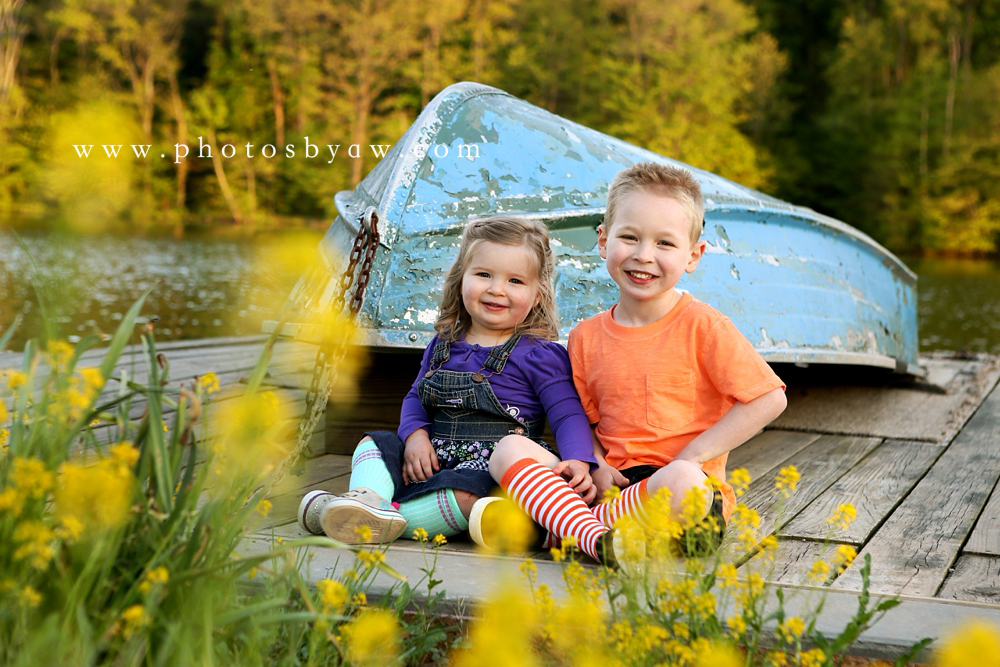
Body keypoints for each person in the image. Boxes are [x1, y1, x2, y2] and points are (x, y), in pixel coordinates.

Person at [487, 162, 787, 564]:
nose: (644, 256)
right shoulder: (585, 337)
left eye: (665, 244)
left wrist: (694, 456)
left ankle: (564, 529)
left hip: (676, 490)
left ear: (693, 255)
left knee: (683, 483)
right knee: (508, 449)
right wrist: (593, 464)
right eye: (629, 237)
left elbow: (769, 399)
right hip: (608, 492)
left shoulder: (703, 325)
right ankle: (598, 538)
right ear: (603, 240)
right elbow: (585, 420)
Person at [297, 216, 596, 546]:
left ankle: (368, 517)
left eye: (515, 281)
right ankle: (369, 500)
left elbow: (567, 414)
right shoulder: (443, 344)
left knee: (470, 497)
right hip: (433, 459)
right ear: (460, 280)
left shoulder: (540, 355)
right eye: (483, 274)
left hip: (490, 469)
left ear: (538, 295)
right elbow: (415, 397)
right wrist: (414, 436)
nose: (497, 289)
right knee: (374, 443)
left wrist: (578, 461)